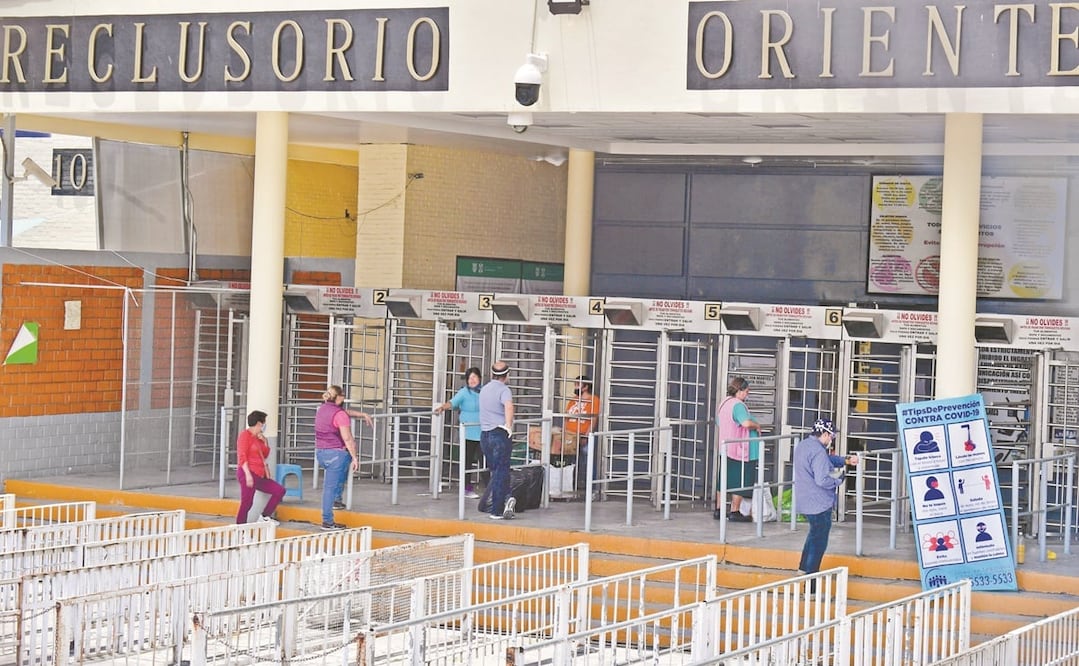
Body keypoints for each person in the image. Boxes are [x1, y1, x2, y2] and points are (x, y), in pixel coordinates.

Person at [793, 418, 857, 581]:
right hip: (819, 503)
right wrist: (839, 479)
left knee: (813, 534)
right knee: (819, 541)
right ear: (824, 434)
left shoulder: (803, 445)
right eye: (831, 436)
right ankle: (811, 579)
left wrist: (845, 460)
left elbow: (826, 460)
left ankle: (802, 567)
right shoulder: (819, 451)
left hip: (804, 499)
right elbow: (822, 480)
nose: (831, 440)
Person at [314, 385, 373, 530]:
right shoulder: (340, 415)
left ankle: (337, 499)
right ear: (339, 397)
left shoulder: (322, 409)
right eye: (343, 396)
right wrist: (355, 457)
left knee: (340, 469)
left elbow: (345, 412)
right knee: (330, 486)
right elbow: (347, 438)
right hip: (335, 454)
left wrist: (362, 414)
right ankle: (327, 521)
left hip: (321, 453)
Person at [714, 377, 761, 522]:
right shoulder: (738, 405)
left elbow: (718, 421)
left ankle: (719, 510)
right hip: (742, 450)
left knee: (724, 479)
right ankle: (735, 511)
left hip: (726, 448)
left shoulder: (724, 403)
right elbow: (746, 423)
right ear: (739, 390)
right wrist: (757, 426)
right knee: (740, 480)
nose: (747, 395)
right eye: (746, 391)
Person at [435, 367, 484, 499]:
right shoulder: (464, 393)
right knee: (467, 462)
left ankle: (490, 489)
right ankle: (467, 489)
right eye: (469, 378)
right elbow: (452, 402)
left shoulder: (484, 391)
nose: (472, 380)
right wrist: (441, 408)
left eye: (474, 377)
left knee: (485, 462)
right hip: (467, 433)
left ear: (479, 378)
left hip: (483, 432)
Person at [479, 360, 516, 520]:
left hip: (484, 435)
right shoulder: (504, 390)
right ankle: (496, 510)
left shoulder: (484, 389)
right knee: (502, 471)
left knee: (496, 471)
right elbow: (508, 406)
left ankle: (508, 498)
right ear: (506, 375)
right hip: (499, 433)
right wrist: (508, 426)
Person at [235, 410, 286, 524]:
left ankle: (264, 516)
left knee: (279, 490)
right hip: (248, 473)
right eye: (263, 423)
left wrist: (265, 441)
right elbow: (242, 456)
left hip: (259, 475)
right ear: (258, 423)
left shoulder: (257, 438)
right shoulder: (245, 436)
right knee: (247, 503)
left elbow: (265, 454)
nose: (264, 426)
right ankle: (240, 530)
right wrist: (247, 474)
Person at [564, 375, 601, 498]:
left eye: (578, 384)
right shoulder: (573, 399)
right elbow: (566, 417)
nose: (575, 387)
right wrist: (564, 433)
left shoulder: (594, 400)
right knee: (571, 463)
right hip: (571, 436)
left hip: (584, 435)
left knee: (587, 462)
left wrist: (586, 436)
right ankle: (572, 487)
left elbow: (593, 419)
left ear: (586, 387)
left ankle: (591, 488)